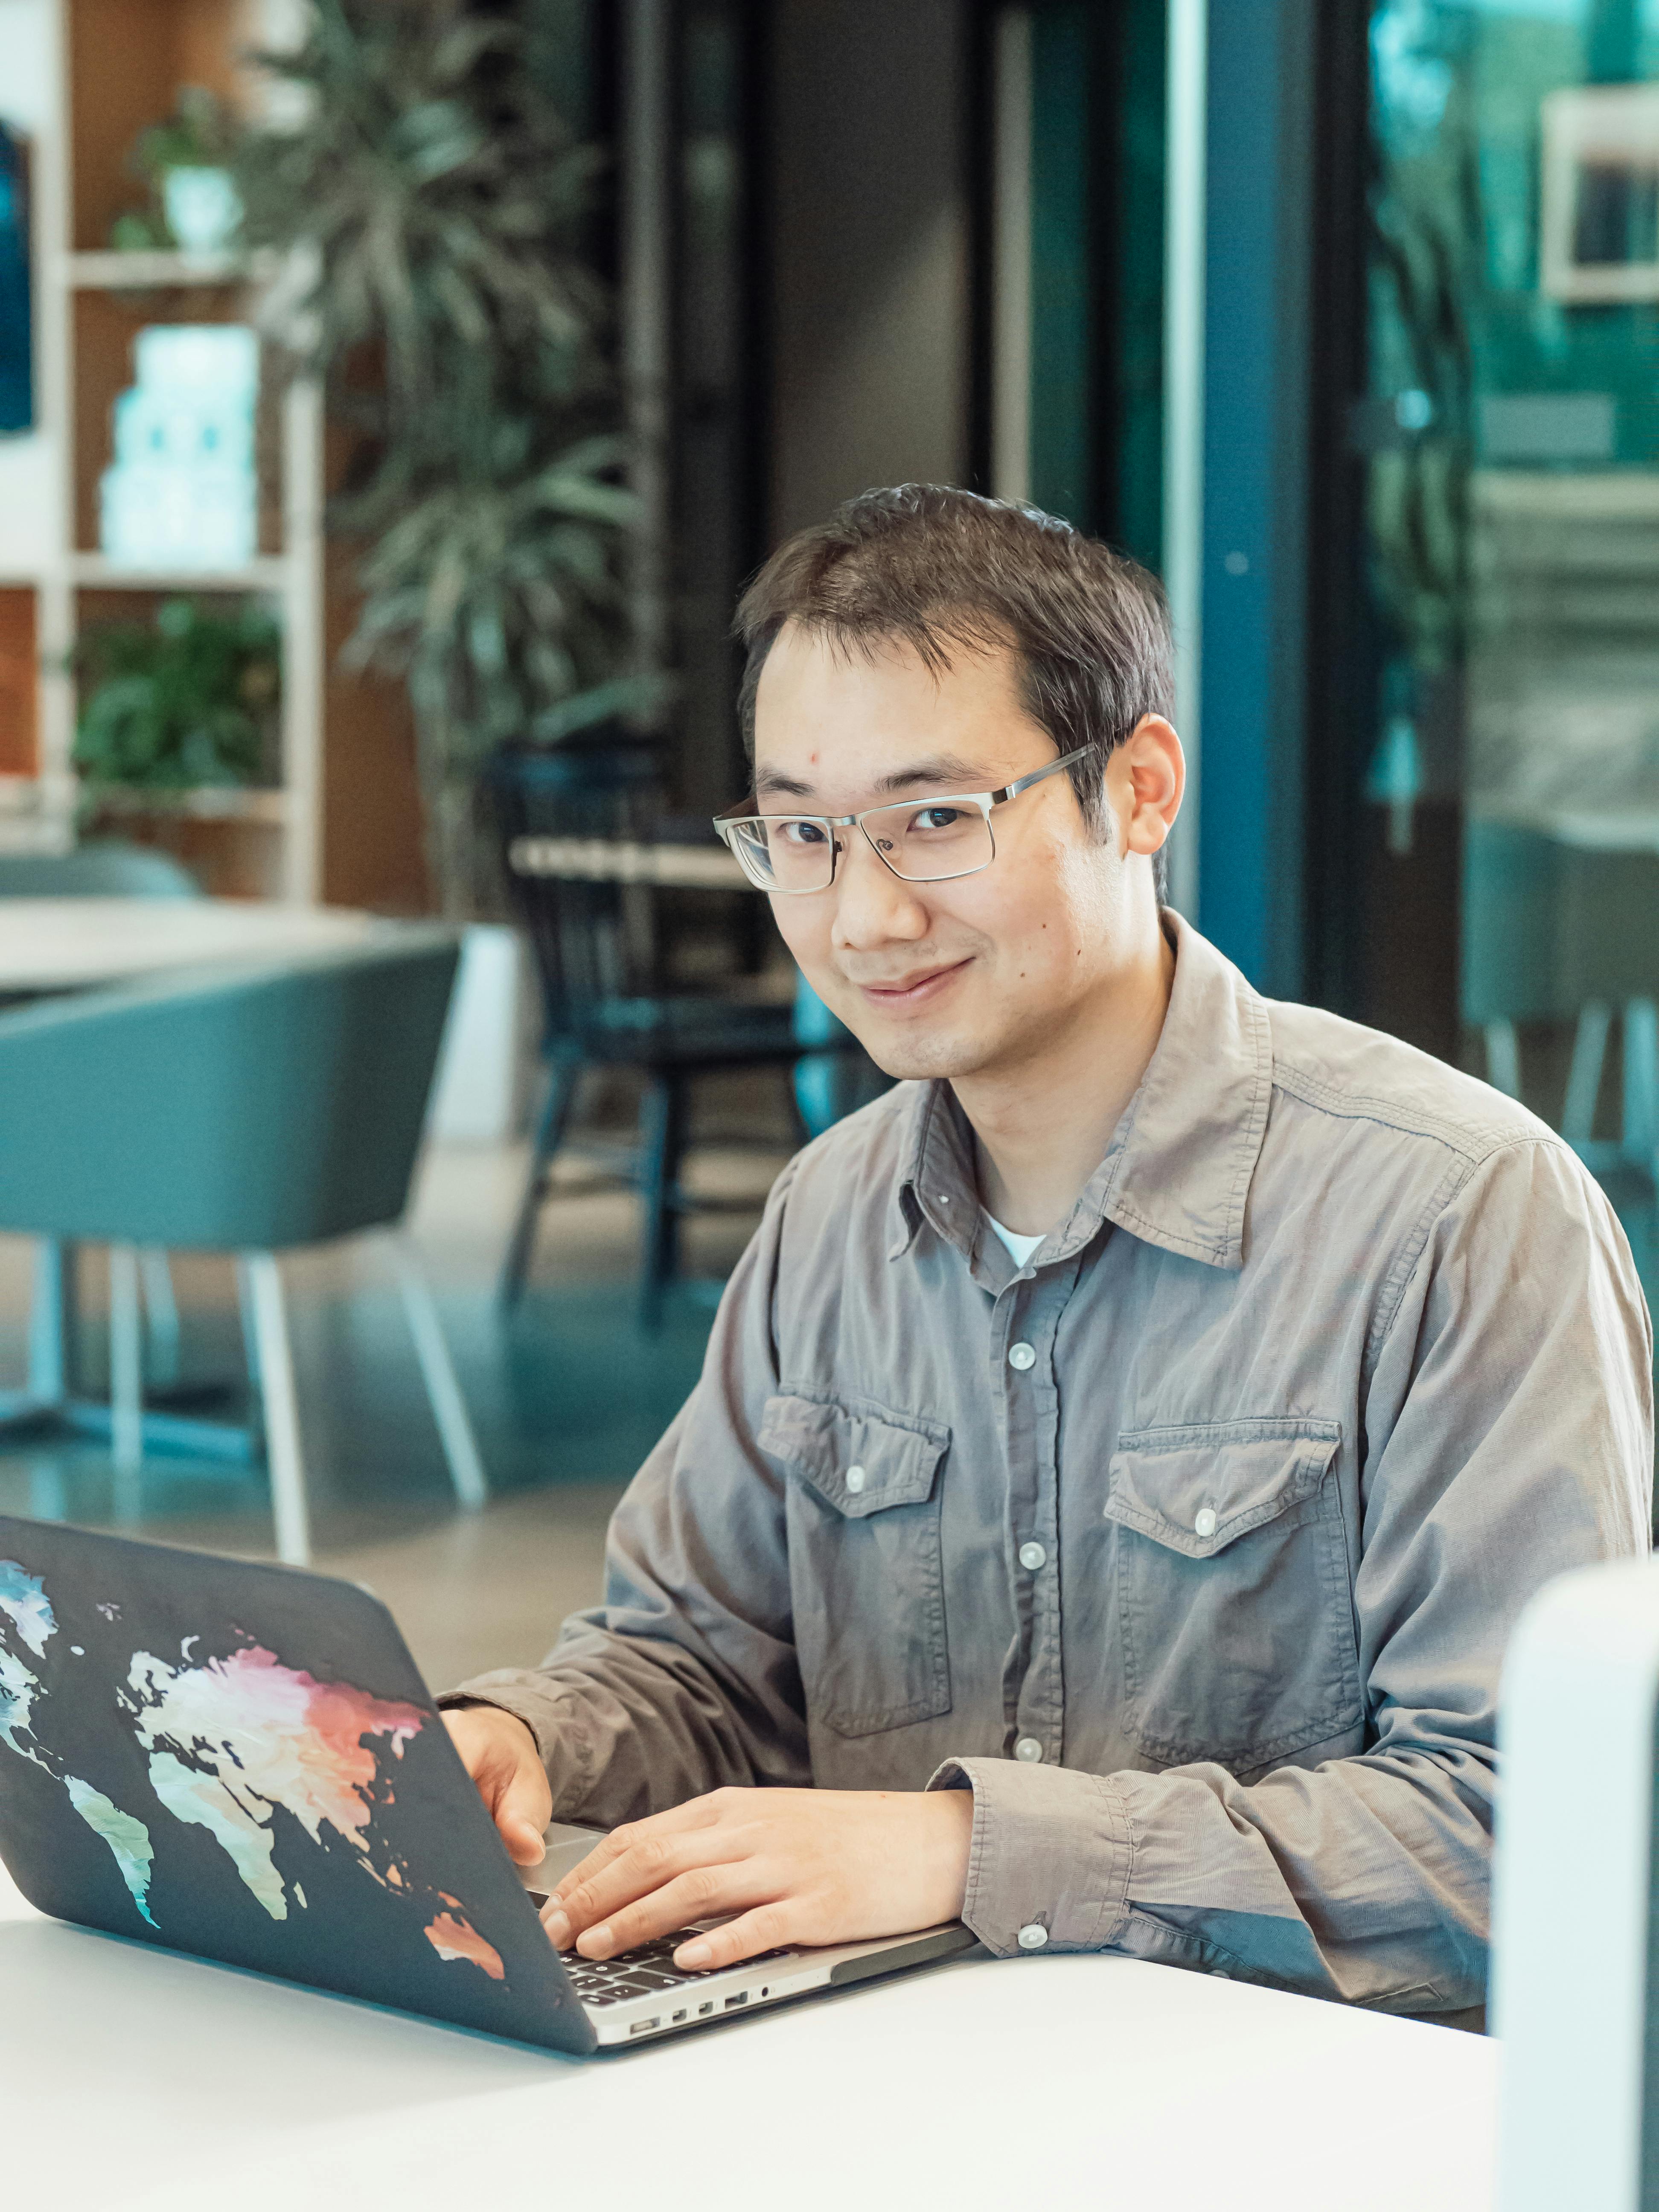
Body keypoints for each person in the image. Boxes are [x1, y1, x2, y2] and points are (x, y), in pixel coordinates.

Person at [443, 484, 1651, 2017]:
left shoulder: (1461, 1213)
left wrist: (969, 1852)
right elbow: (700, 1660)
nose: (862, 916)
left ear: (1139, 791)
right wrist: (522, 1735)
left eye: (936, 819)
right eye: (803, 833)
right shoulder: (829, 1215)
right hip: (879, 2094)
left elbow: (1530, 1831)